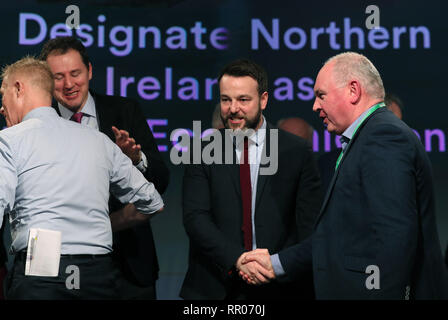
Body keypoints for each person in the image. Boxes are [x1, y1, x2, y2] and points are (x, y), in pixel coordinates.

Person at [240, 52, 448, 299]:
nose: (315, 106)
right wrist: (275, 263)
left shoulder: (383, 137)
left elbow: (394, 240)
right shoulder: (367, 138)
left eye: (321, 95)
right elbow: (339, 236)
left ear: (353, 90)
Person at [0, 57, 164, 299]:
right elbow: (153, 201)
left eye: (2, 95)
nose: (2, 108)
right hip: (97, 273)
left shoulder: (9, 140)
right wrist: (92, 224)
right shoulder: (98, 141)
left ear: (18, 88)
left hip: (40, 268)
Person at [39, 36, 170, 300]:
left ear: (89, 70)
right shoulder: (40, 123)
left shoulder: (125, 110)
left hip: (129, 265)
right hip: (62, 266)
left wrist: (135, 160)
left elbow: (161, 180)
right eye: (58, 77)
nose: (69, 85)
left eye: (75, 73)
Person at [180, 59, 322, 299]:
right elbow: (195, 218)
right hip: (214, 287)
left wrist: (274, 265)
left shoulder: (296, 152)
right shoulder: (200, 151)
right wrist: (238, 259)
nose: (233, 108)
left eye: (243, 100)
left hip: (280, 287)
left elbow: (308, 228)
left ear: (263, 100)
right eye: (226, 100)